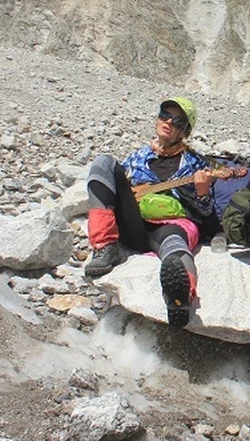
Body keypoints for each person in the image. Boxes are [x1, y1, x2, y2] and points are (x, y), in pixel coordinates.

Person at [83, 96, 220, 328]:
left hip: (172, 223)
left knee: (175, 246)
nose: (168, 122)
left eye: (177, 121)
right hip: (134, 221)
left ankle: (180, 297)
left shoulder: (196, 163)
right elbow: (115, 186)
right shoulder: (138, 157)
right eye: (164, 115)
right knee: (103, 163)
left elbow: (207, 212)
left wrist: (203, 190)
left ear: (184, 131)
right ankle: (104, 247)